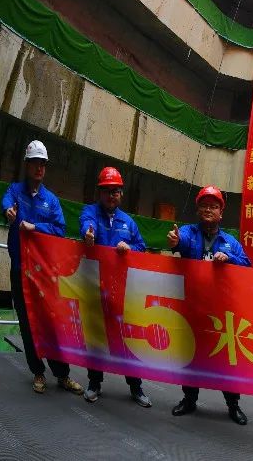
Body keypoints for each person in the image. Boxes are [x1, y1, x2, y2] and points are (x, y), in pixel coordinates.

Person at [0, 140, 83, 396]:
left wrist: (36, 228)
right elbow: (6, 203)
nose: (39, 168)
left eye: (43, 164)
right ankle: (37, 372)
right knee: (27, 323)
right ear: (27, 165)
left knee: (51, 322)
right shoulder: (15, 191)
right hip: (20, 271)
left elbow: (60, 229)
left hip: (45, 273)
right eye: (35, 163)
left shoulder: (51, 200)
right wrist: (9, 213)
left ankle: (62, 374)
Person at [169, 185, 250, 425]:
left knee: (226, 360)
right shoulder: (188, 232)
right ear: (198, 210)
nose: (208, 210)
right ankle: (189, 399)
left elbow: (247, 267)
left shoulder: (230, 242)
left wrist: (230, 259)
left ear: (221, 213)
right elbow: (180, 241)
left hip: (221, 312)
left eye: (213, 206)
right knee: (191, 355)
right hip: (193, 308)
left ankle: (233, 405)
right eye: (204, 205)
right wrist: (175, 241)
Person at [78, 167, 151, 407]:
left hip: (122, 291)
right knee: (96, 337)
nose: (112, 195)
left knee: (127, 340)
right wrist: (88, 235)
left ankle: (136, 387)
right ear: (100, 193)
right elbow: (86, 225)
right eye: (107, 191)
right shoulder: (90, 212)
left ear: (121, 194)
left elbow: (141, 247)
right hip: (95, 287)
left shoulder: (128, 222)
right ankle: (94, 383)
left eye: (116, 191)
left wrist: (130, 248)